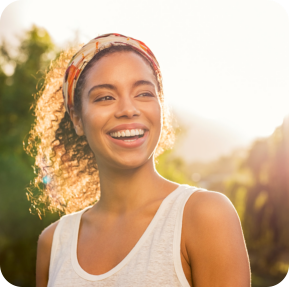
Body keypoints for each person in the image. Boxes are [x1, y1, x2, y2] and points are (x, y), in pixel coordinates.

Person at [31, 33, 251, 287]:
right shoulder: (53, 243)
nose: (128, 109)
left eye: (144, 93)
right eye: (105, 97)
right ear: (78, 119)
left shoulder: (205, 216)